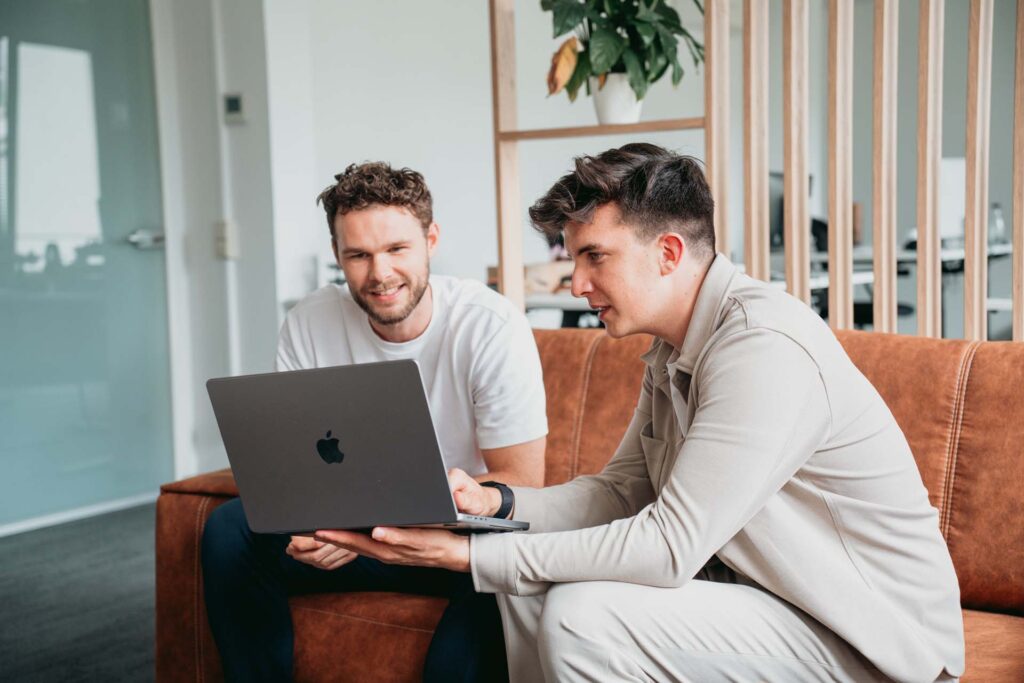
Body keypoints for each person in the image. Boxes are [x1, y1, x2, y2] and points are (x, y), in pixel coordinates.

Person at [316, 144, 966, 682]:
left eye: (594, 256)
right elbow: (621, 491)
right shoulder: (674, 349)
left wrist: (466, 558)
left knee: (582, 614)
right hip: (778, 604)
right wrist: (494, 507)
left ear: (670, 253)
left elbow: (668, 546)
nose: (575, 283)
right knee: (524, 586)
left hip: (876, 639)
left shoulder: (763, 346)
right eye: (572, 259)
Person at [201, 161, 547, 682]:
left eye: (396, 249)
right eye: (358, 255)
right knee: (231, 529)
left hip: (454, 543)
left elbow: (523, 482)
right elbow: (291, 468)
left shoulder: (489, 326)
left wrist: (383, 527)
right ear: (338, 256)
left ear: (431, 239)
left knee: (469, 644)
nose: (379, 273)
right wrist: (320, 529)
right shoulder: (309, 321)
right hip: (354, 533)